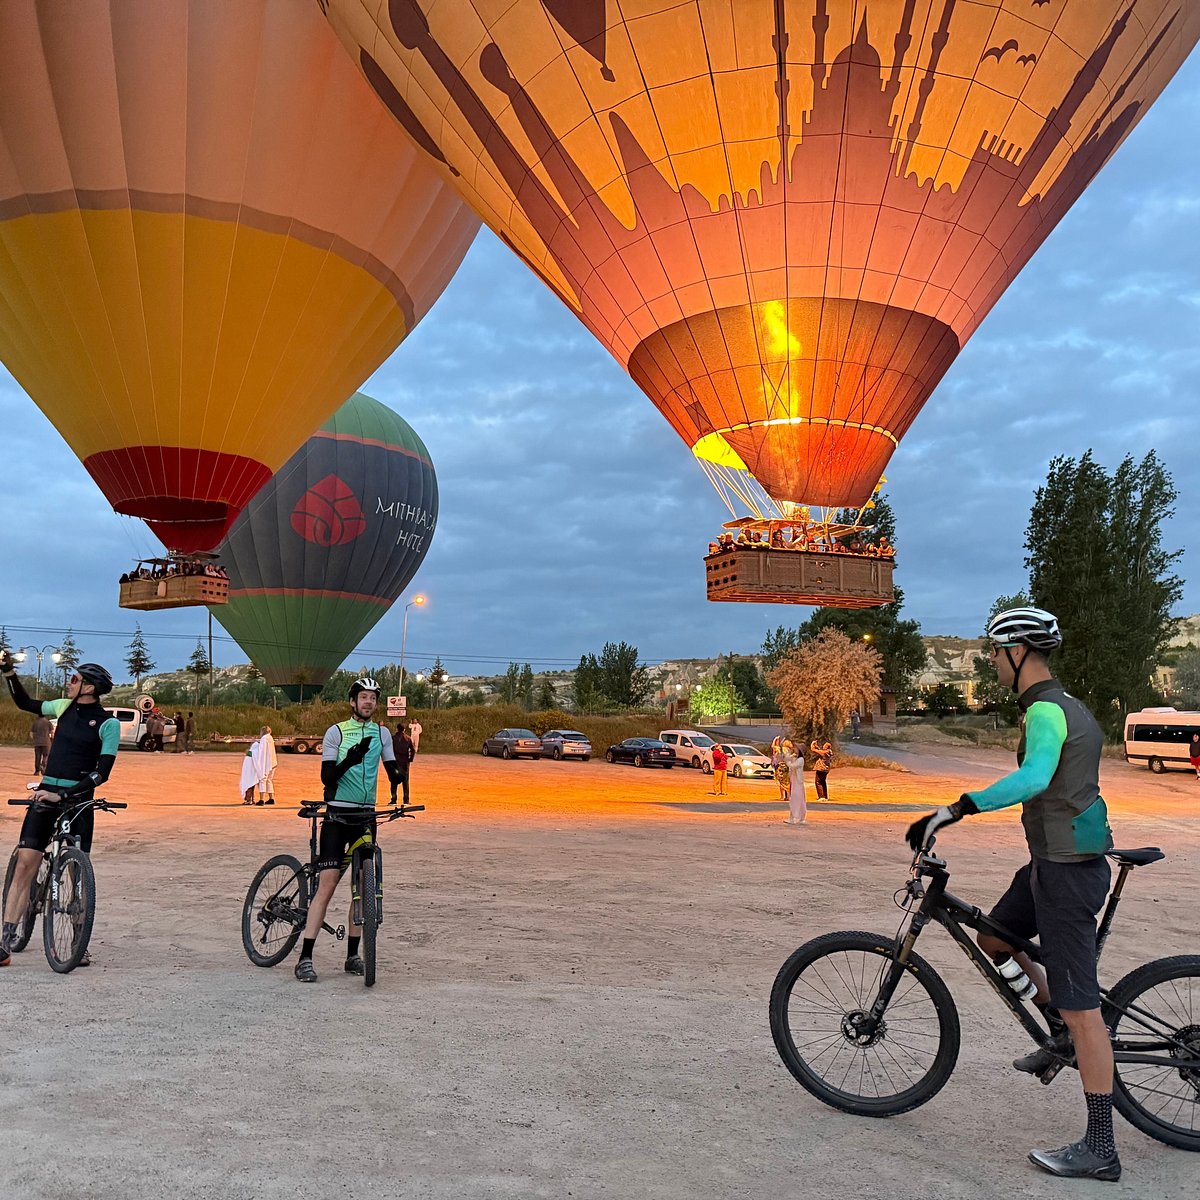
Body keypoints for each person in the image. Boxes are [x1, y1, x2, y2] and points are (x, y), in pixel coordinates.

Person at [905, 607, 1120, 1181]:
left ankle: (1102, 1147)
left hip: (1068, 872)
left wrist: (954, 809)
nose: (993, 662)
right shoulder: (1066, 704)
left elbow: (1036, 779)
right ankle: (1056, 1026)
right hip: (1049, 864)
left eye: (996, 654)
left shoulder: (1048, 711)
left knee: (1086, 1013)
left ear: (1018, 653)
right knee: (995, 938)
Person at [1, 655, 120, 967]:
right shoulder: (63, 708)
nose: (69, 684)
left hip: (78, 799)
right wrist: (10, 673)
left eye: (74, 679)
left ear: (89, 688)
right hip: (46, 793)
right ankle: (6, 938)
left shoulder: (108, 724)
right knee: (26, 862)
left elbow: (102, 773)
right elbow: (26, 703)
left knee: (76, 872)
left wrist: (65, 794)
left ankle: (79, 941)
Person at [294, 678, 406, 983]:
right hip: (338, 815)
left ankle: (353, 955)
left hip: (366, 815)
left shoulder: (382, 733)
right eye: (363, 697)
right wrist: (351, 759)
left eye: (372, 697)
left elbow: (390, 766)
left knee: (362, 885)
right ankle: (305, 957)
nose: (368, 702)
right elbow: (327, 776)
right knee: (328, 884)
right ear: (352, 702)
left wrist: (399, 777)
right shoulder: (337, 732)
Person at [780, 739, 806, 824]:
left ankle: (796, 817)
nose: (795, 749)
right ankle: (794, 817)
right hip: (794, 780)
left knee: (796, 798)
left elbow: (793, 766)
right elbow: (787, 757)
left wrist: (787, 762)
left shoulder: (800, 759)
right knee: (795, 798)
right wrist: (786, 751)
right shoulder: (795, 757)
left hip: (798, 782)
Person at [391, 722, 416, 806]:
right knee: (405, 781)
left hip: (395, 761)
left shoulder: (393, 738)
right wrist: (410, 759)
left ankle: (394, 799)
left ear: (397, 729)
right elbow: (413, 750)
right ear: (404, 729)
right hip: (405, 761)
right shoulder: (408, 738)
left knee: (394, 781)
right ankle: (406, 799)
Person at [252, 725, 277, 805]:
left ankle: (261, 799)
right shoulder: (270, 738)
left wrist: (252, 751)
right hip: (273, 763)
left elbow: (261, 751)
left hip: (266, 763)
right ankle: (271, 798)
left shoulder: (264, 738)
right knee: (269, 780)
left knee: (262, 779)